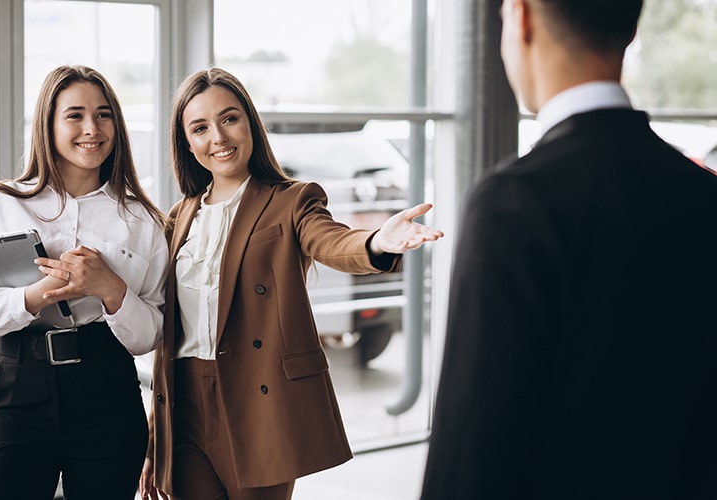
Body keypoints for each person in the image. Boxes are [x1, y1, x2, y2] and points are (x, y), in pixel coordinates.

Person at [420, 1, 717, 499]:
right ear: (629, 27)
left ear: (522, 16)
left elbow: (472, 449)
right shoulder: (703, 193)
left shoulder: (515, 203)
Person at [138, 67, 443, 500]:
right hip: (184, 405)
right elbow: (170, 336)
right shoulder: (178, 218)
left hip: (258, 402)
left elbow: (332, 241)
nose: (218, 138)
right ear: (186, 142)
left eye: (229, 119)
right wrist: (156, 436)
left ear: (251, 124)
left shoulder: (291, 200)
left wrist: (377, 242)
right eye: (200, 127)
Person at [0, 65, 168, 500]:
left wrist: (111, 289)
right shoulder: (2, 205)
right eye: (75, 115)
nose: (92, 128)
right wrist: (33, 297)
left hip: (107, 393)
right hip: (19, 389)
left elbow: (152, 335)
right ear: (47, 125)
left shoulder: (142, 219)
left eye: (104, 115)